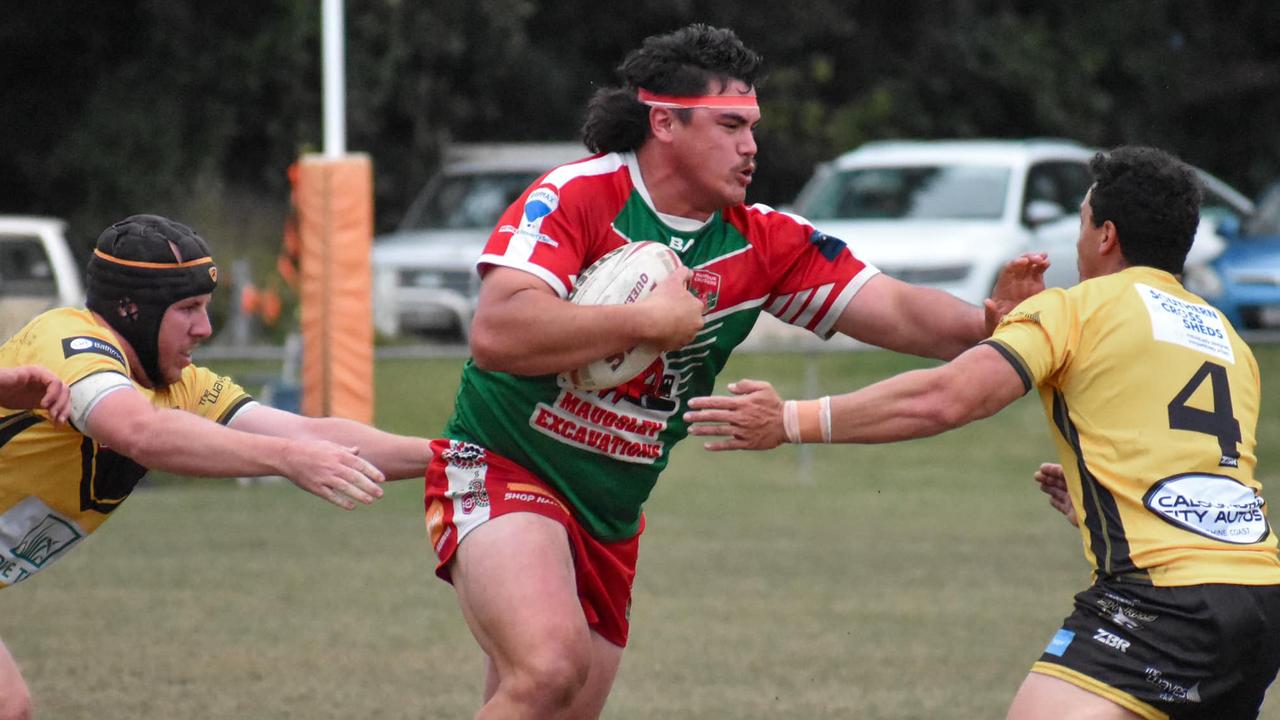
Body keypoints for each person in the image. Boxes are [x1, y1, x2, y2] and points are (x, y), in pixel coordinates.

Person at [424, 23, 1048, 719]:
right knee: (547, 670)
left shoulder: (764, 242)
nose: (750, 146)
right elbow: (497, 331)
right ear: (663, 121)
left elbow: (900, 311)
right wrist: (645, 321)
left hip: (610, 514)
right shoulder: (579, 196)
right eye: (729, 126)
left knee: (548, 700)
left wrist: (988, 322)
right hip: (507, 465)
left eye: (752, 127)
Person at [685, 145, 1280, 720]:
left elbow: (945, 399)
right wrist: (1098, 504)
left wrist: (789, 420)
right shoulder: (1226, 339)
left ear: (1106, 235)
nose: (1077, 241)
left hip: (1162, 599)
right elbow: (1196, 468)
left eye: (1082, 222)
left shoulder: (1076, 308)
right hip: (1258, 597)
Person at [0, 213, 432, 720]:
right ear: (131, 308)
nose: (204, 328)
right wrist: (287, 461)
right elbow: (140, 432)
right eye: (188, 309)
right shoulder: (69, 342)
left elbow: (307, 434)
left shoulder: (177, 385)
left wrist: (455, 456)